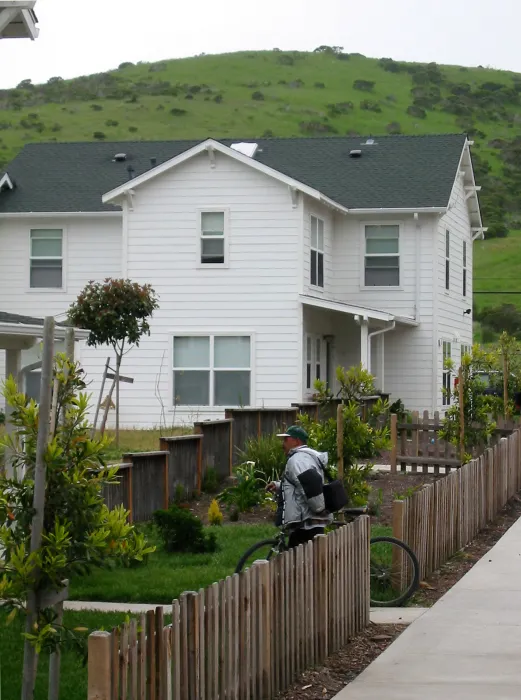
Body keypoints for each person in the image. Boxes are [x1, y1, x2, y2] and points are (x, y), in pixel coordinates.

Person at [267, 425, 332, 548]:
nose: (283, 444)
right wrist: (279, 486)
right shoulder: (306, 457)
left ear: (296, 441)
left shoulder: (297, 460)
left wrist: (318, 509)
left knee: (297, 563)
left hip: (305, 524)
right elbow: (300, 483)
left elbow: (310, 485)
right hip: (308, 522)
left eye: (286, 440)